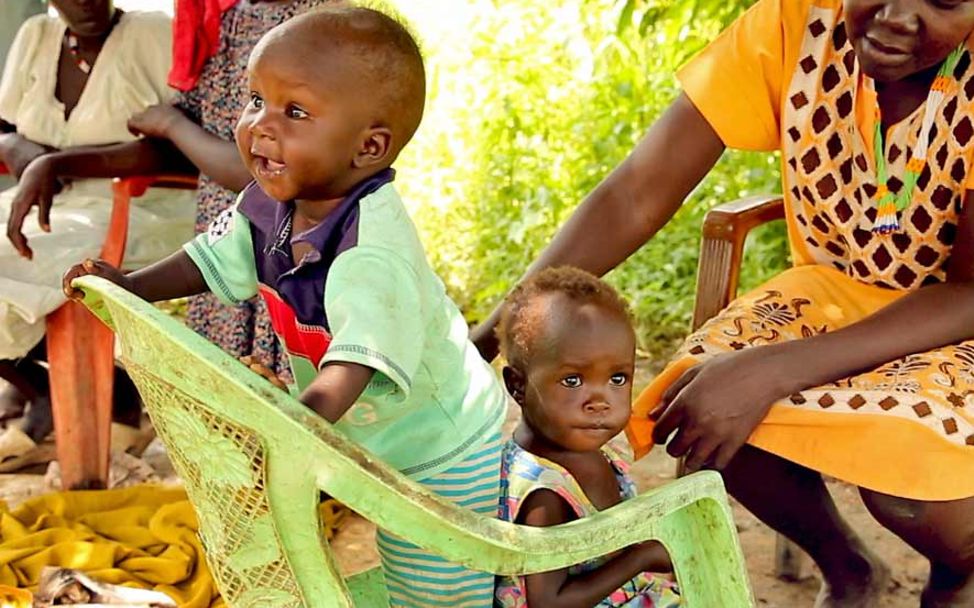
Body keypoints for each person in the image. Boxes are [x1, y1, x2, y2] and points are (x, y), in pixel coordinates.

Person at [473, 0, 974, 605]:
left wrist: (772, 368)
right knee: (702, 407)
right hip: (829, 297)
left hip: (956, 319)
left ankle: (955, 579)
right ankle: (849, 568)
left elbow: (968, 294)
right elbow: (638, 189)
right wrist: (500, 324)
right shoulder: (795, 24)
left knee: (916, 489)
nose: (896, 15)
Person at [64, 7, 508, 608]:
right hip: (384, 439)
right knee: (406, 578)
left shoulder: (370, 250)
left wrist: (290, 428)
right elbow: (209, 259)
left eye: (294, 112)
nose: (260, 128)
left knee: (439, 589)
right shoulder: (272, 202)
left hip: (444, 451)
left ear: (369, 146)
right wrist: (129, 287)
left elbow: (354, 365)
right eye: (255, 101)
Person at [0, 0, 195, 468]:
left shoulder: (150, 33)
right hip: (46, 206)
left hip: (138, 204)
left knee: (16, 263)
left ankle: (101, 398)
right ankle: (55, 391)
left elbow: (182, 146)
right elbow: (3, 126)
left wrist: (61, 162)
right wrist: (18, 147)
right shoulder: (35, 36)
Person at [493, 266, 680, 608]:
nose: (600, 401)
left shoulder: (588, 452)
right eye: (573, 381)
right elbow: (547, 603)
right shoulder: (544, 490)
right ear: (518, 385)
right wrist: (640, 559)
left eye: (618, 379)